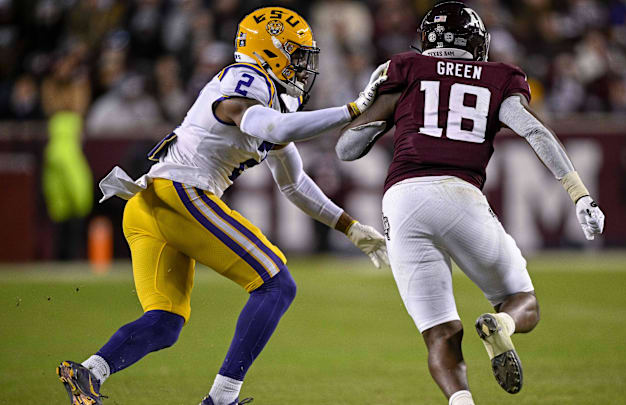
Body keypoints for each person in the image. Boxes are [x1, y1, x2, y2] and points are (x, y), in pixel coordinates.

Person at [57, 6, 389, 405]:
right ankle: (222, 399)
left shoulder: (272, 101)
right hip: (181, 192)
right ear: (270, 51)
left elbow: (295, 183)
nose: (303, 66)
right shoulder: (244, 80)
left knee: (165, 322)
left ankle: (88, 372)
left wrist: (351, 227)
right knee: (276, 284)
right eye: (297, 54)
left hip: (151, 205)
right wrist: (353, 110)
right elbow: (271, 128)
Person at [336, 2, 605, 404]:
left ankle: (461, 401)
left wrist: (366, 101)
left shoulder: (407, 69)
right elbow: (536, 132)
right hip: (460, 194)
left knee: (439, 330)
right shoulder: (499, 77)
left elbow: (347, 149)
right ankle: (501, 324)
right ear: (478, 43)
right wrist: (579, 193)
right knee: (522, 302)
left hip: (402, 200)